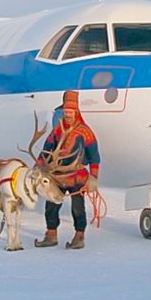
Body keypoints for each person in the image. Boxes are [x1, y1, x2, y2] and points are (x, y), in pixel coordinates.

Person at [34, 90, 100, 250]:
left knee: (77, 207)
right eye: (66, 112)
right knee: (51, 205)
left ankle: (79, 236)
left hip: (77, 177)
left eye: (71, 112)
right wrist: (38, 167)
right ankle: (51, 234)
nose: (68, 115)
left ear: (76, 112)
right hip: (56, 176)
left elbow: (95, 157)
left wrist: (93, 177)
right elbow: (46, 151)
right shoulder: (56, 131)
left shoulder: (85, 132)